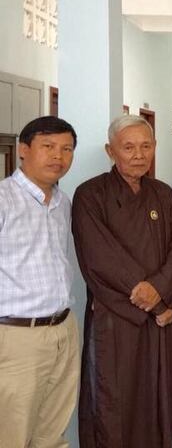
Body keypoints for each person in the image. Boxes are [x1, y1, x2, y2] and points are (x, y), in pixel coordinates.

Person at [72, 115, 172, 448]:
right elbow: (100, 259)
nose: (138, 154)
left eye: (145, 146)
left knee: (159, 398)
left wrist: (163, 298)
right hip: (117, 319)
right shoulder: (90, 195)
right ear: (111, 151)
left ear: (154, 148)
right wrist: (156, 303)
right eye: (128, 147)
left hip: (162, 320)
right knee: (115, 400)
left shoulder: (163, 194)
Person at [0, 116, 79, 448]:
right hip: (17, 337)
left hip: (63, 329)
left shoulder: (63, 203)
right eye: (47, 147)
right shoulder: (4, 199)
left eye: (66, 149)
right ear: (23, 150)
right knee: (11, 435)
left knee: (52, 434)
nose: (57, 156)